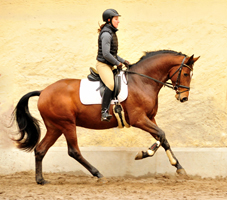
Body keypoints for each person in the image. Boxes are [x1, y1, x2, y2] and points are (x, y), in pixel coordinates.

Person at [96, 9, 130, 122]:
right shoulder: (106, 34)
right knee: (110, 84)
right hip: (103, 65)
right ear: (109, 20)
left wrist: (124, 61)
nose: (118, 21)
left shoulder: (111, 32)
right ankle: (104, 112)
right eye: (116, 19)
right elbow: (106, 54)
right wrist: (117, 63)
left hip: (110, 65)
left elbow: (113, 54)